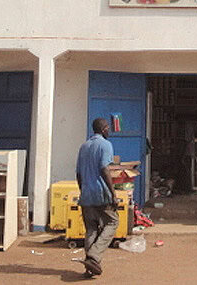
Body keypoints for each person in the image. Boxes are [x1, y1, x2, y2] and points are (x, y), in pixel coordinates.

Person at [75, 118, 119, 277]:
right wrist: (113, 193)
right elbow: (104, 169)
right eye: (108, 127)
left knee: (91, 228)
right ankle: (93, 256)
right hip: (101, 194)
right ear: (103, 129)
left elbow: (79, 174)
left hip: (86, 194)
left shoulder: (84, 146)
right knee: (112, 222)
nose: (109, 130)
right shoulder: (105, 145)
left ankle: (90, 266)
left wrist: (83, 191)